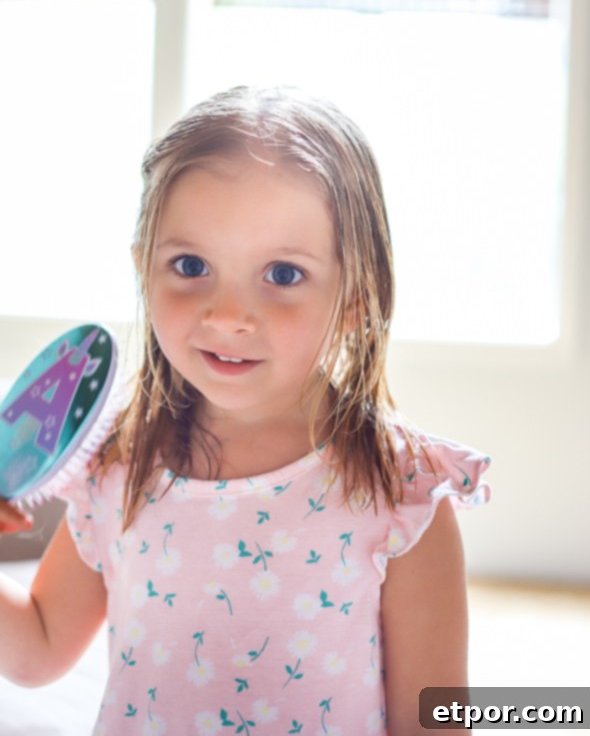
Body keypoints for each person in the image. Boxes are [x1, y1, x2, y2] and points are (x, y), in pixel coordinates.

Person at [0, 85, 490, 735]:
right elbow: (36, 648)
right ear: (143, 268)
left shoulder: (402, 492)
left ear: (355, 297)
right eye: (191, 264)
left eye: (283, 275)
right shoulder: (119, 463)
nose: (228, 315)